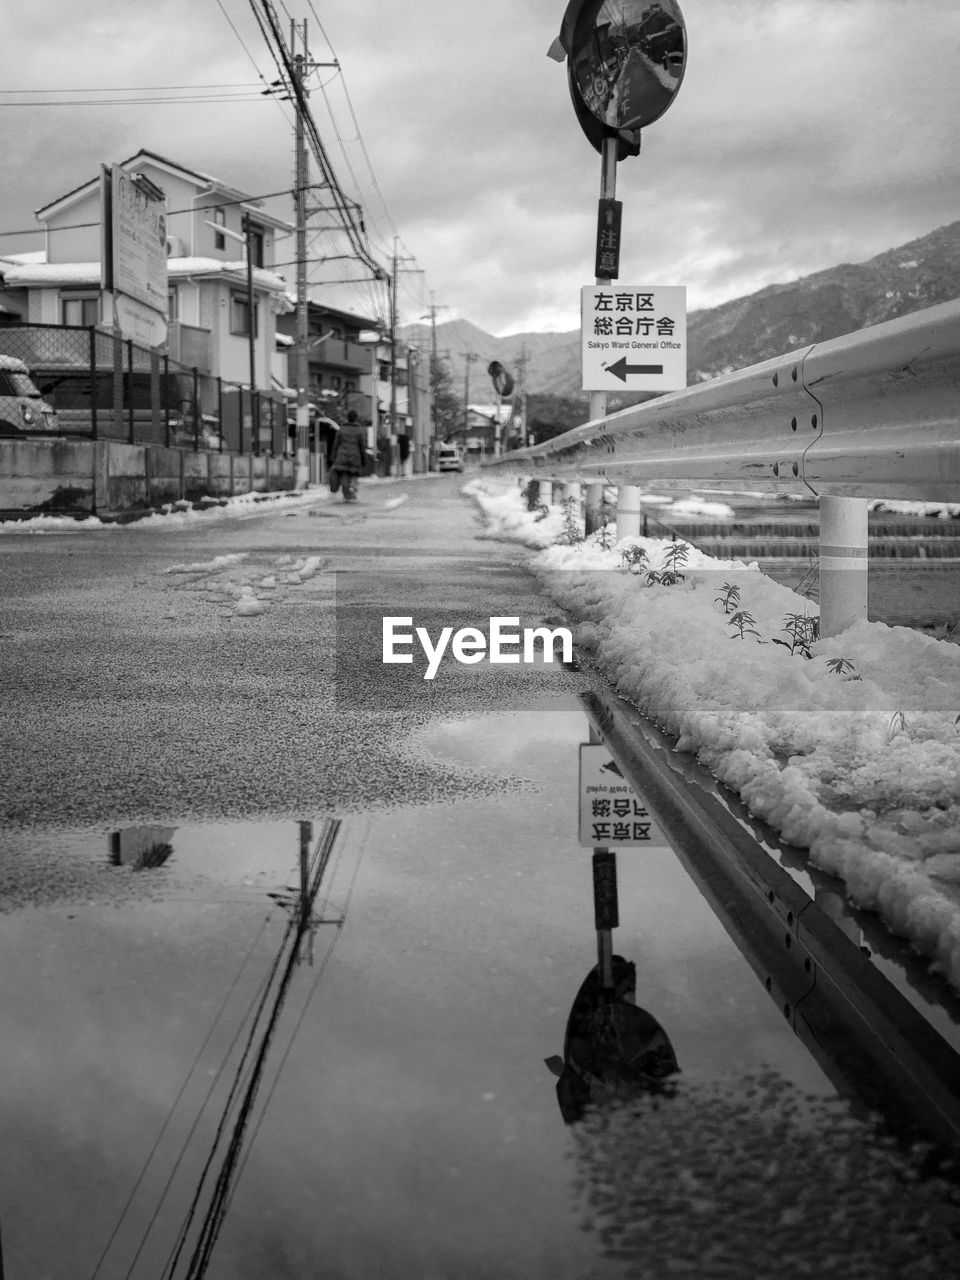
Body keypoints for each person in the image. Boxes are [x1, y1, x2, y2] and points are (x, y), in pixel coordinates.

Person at [329, 409, 368, 502]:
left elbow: (336, 445)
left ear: (347, 418)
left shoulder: (341, 429)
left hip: (342, 456)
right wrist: (364, 459)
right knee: (353, 474)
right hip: (355, 457)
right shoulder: (359, 431)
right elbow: (362, 446)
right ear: (356, 418)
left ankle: (346, 493)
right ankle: (352, 488)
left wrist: (333, 456)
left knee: (343, 475)